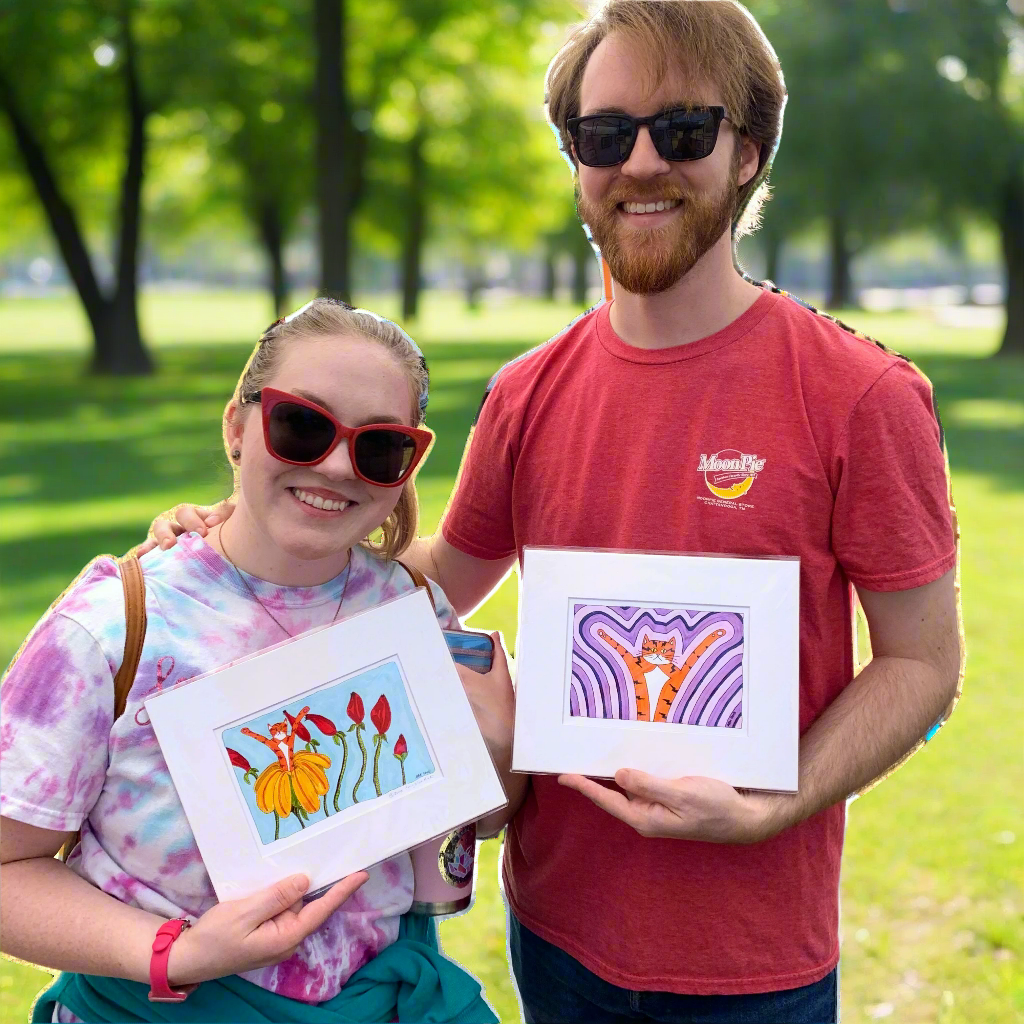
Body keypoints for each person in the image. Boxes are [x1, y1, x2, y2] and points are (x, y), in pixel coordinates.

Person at [149, 2, 963, 1022]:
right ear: (575, 157)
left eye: (682, 132)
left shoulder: (862, 393)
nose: (638, 163)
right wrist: (228, 551)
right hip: (554, 926)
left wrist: (775, 803)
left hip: (752, 955)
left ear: (747, 152)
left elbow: (923, 662)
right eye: (603, 133)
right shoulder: (529, 391)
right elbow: (437, 578)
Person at [0, 298, 513, 1024]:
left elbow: (461, 830)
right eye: (301, 426)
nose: (337, 466)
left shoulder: (412, 611)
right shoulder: (114, 628)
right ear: (239, 428)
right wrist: (173, 952)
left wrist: (494, 757)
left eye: (379, 447)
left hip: (392, 1003)